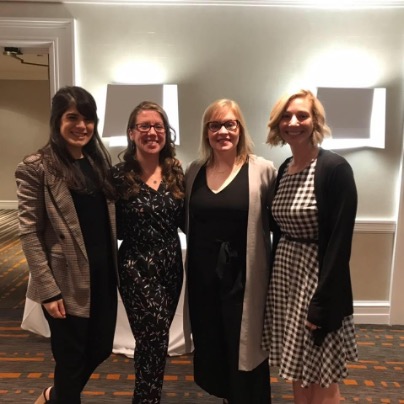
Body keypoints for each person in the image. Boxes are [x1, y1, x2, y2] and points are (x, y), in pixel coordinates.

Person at [15, 86, 118, 404]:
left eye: (88, 119)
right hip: (65, 282)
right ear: (57, 120)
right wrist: (48, 291)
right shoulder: (36, 167)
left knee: (100, 348)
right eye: (73, 117)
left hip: (103, 277)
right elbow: (29, 233)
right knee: (71, 360)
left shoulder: (98, 162)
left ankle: (53, 395)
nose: (81, 126)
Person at [261, 89, 358, 403]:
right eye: (286, 116)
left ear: (315, 121)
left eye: (302, 115)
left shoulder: (334, 169)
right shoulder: (284, 168)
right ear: (278, 125)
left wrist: (323, 302)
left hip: (318, 282)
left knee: (321, 376)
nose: (293, 122)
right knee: (298, 371)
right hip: (286, 281)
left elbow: (340, 243)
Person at [184, 99, 276, 403]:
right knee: (213, 340)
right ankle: (226, 395)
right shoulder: (194, 171)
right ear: (206, 132)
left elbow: (276, 223)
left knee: (244, 343)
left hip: (243, 276)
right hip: (203, 277)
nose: (222, 131)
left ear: (240, 129)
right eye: (215, 125)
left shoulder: (262, 169)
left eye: (229, 124)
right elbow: (187, 221)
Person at [111, 101, 185, 403]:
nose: (152, 132)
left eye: (158, 126)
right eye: (144, 126)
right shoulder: (117, 176)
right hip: (135, 266)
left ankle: (148, 394)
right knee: (152, 333)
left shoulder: (175, 172)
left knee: (157, 338)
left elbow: (187, 220)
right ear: (132, 132)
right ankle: (145, 398)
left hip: (170, 265)